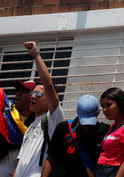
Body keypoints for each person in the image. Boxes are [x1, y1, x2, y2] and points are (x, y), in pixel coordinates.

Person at [14, 41, 64, 177]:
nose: (33, 96)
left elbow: (48, 85)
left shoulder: (53, 118)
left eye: (39, 94)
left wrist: (35, 55)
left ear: (49, 100)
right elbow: (19, 163)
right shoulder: (29, 128)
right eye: (32, 93)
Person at [41, 94, 110, 177]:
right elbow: (51, 158)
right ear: (77, 111)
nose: (87, 126)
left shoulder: (106, 132)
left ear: (98, 112)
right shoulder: (63, 128)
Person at [0, 80, 36, 177]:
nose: (17, 94)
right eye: (18, 91)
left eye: (23, 92)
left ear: (33, 96)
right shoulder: (6, 116)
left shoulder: (38, 125)